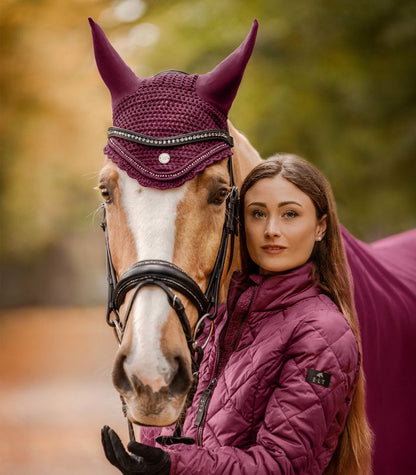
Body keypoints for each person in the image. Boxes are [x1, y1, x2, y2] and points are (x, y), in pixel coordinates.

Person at [101, 154, 373, 474]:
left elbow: (281, 465)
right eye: (257, 214)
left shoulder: (322, 333)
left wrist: (175, 466)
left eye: (290, 214)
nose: (271, 230)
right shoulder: (217, 317)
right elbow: (187, 434)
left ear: (320, 227)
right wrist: (148, 458)